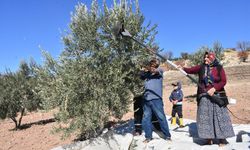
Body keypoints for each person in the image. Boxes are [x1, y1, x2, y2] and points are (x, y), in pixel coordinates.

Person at [182, 52, 235, 146]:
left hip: (217, 95)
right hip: (204, 95)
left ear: (212, 58)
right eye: (205, 57)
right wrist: (182, 68)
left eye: (208, 57)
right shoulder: (201, 67)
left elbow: (223, 81)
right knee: (206, 118)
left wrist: (214, 88)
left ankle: (222, 139)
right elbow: (189, 70)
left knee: (220, 117)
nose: (205, 59)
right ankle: (208, 138)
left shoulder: (219, 68)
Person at [140, 59, 171, 143]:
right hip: (146, 99)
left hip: (156, 99)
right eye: (151, 64)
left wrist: (144, 65)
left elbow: (155, 71)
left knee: (161, 117)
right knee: (146, 119)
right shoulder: (147, 74)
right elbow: (140, 75)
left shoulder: (159, 71)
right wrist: (140, 69)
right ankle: (148, 137)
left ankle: (167, 136)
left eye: (153, 65)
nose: (152, 66)